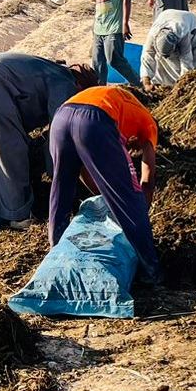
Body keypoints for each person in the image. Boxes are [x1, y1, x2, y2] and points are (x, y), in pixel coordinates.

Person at [0, 54, 98, 224]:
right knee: (10, 149)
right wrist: (61, 176)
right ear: (80, 85)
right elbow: (58, 136)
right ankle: (17, 213)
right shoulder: (65, 83)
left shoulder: (54, 69)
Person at [47, 84, 162, 278]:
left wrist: (107, 197)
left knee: (62, 186)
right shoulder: (149, 123)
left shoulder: (124, 105)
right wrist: (140, 208)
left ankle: (55, 248)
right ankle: (151, 270)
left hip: (61, 117)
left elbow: (85, 168)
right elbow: (147, 180)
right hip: (96, 119)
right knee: (130, 196)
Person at [89, 0, 142, 86]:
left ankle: (138, 84)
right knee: (97, 63)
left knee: (115, 60)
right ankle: (99, 90)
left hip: (114, 27)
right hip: (99, 27)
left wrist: (125, 23)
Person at [140, 8, 196, 89]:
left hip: (192, 26)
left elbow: (186, 60)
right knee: (162, 62)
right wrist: (146, 82)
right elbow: (147, 56)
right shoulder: (153, 35)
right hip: (168, 16)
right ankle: (165, 85)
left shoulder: (183, 34)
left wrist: (183, 85)